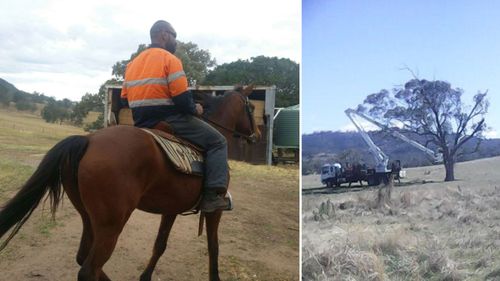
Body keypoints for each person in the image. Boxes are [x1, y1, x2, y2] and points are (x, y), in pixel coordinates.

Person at [121, 20, 229, 213]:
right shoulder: (170, 60)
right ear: (164, 35)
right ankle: (213, 196)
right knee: (218, 142)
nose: (176, 42)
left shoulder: (131, 65)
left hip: (141, 122)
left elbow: (125, 97)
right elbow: (180, 99)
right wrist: (194, 108)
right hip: (171, 119)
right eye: (174, 36)